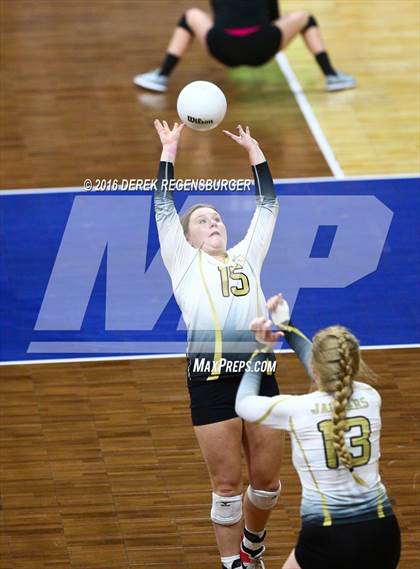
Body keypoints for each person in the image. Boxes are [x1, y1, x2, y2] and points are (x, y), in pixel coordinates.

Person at [153, 119, 308, 569]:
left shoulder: (245, 256)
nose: (213, 221)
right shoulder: (182, 261)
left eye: (216, 216)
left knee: (267, 486)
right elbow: (163, 204)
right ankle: (233, 565)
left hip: (260, 375)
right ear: (188, 238)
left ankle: (252, 547)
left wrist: (255, 154)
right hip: (210, 378)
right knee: (226, 488)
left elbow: (269, 205)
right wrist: (170, 150)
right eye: (202, 220)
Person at [235, 294, 401, 569]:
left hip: (326, 537)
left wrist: (263, 349)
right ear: (354, 364)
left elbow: (243, 404)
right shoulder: (371, 398)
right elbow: (327, 375)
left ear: (315, 368)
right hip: (382, 533)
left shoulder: (297, 409)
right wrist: (287, 325)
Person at [134, 1, 355, 93]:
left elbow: (219, 15)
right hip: (262, 46)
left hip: (221, 46)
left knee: (191, 16)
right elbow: (273, 19)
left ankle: (161, 76)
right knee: (305, 18)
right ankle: (332, 76)